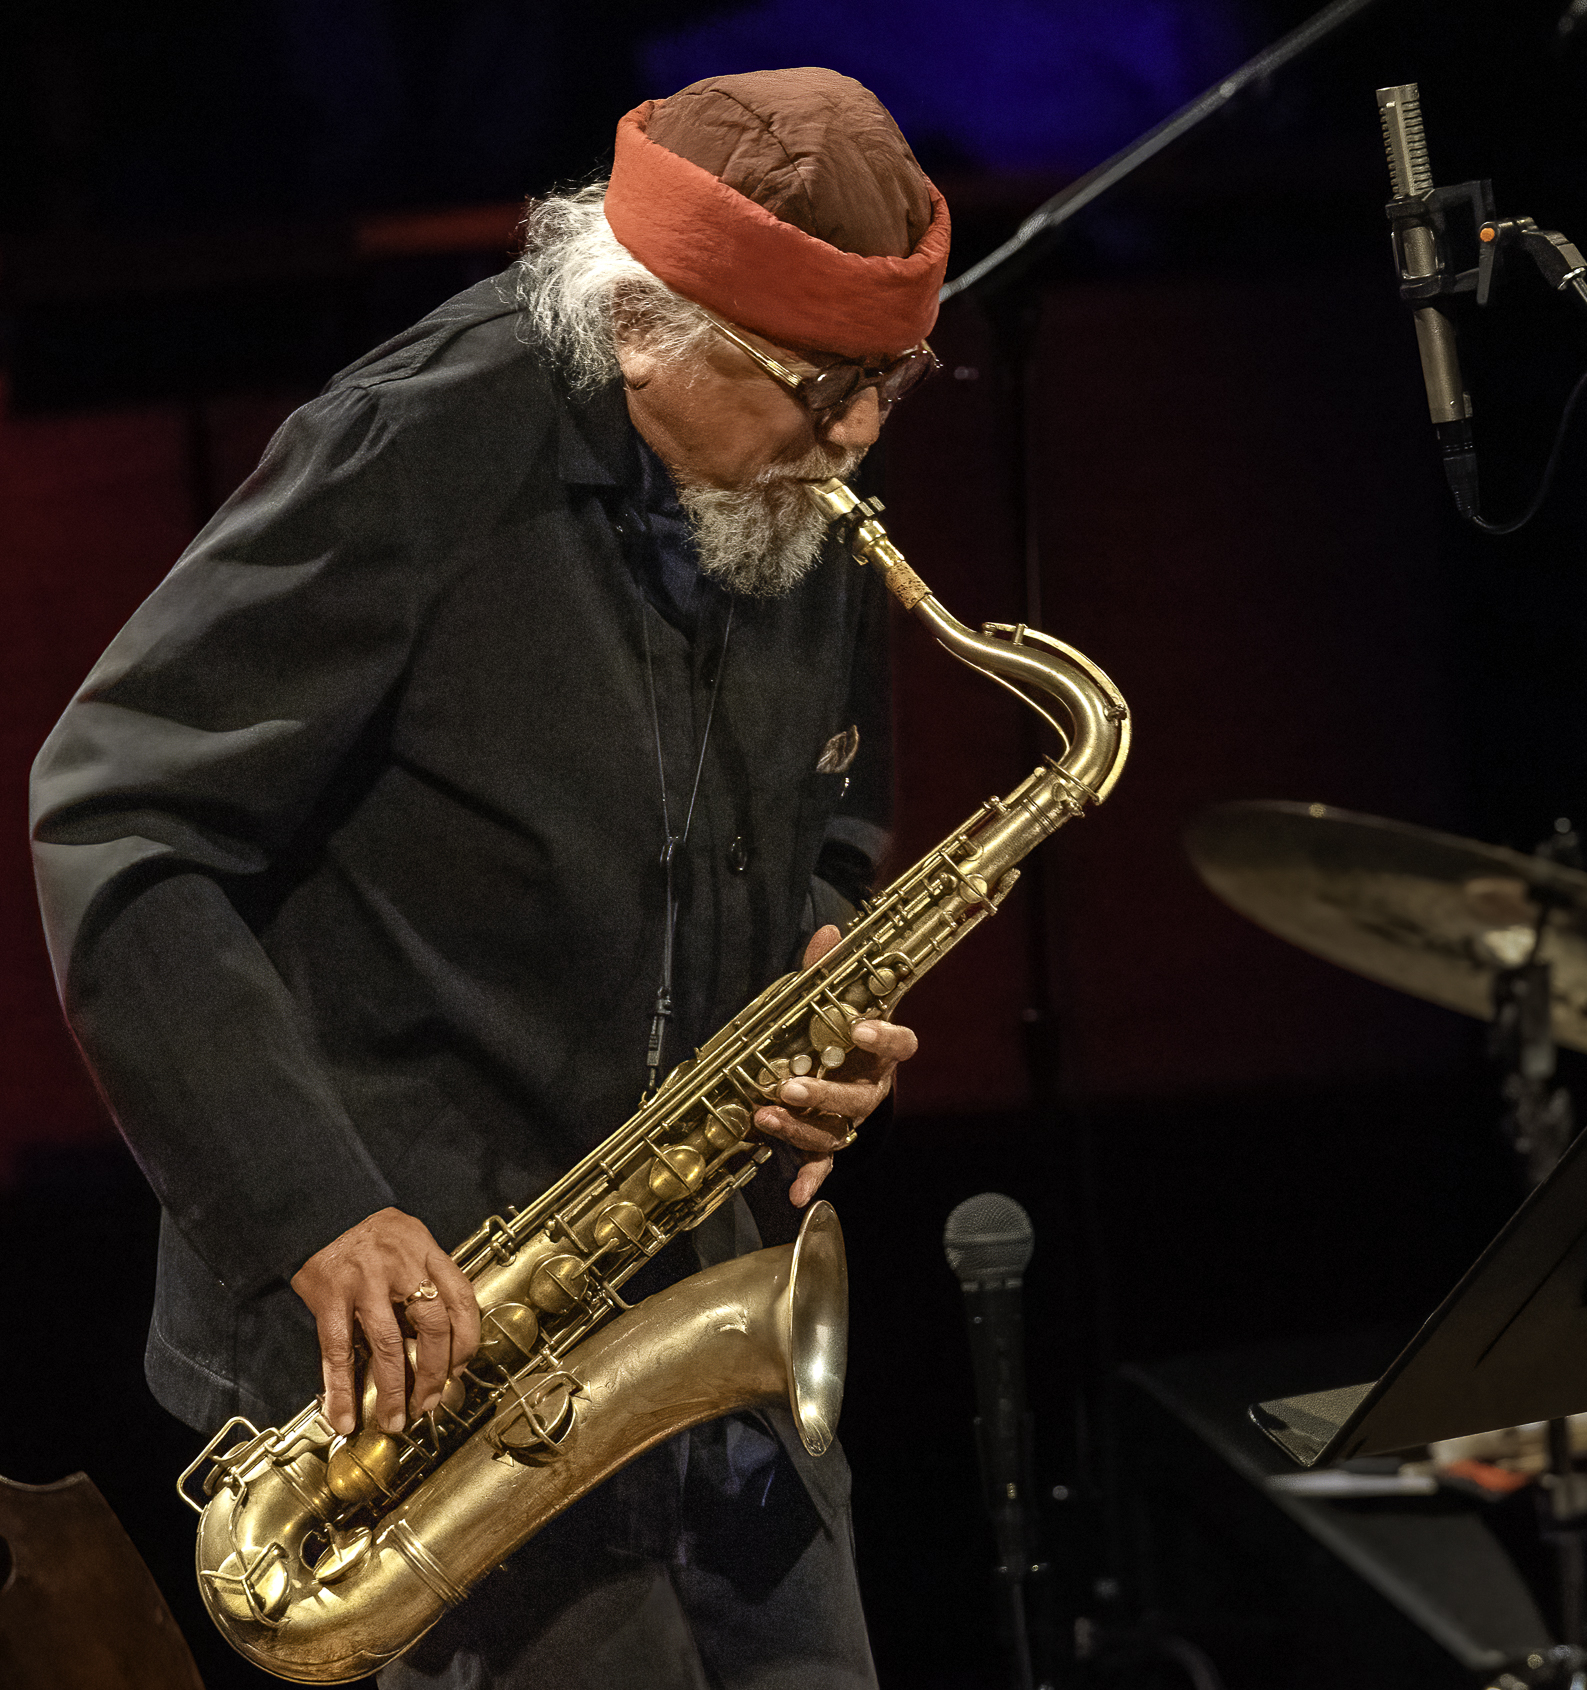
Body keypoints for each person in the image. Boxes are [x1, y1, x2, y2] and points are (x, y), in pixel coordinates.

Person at [30, 66, 950, 1689]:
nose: (861, 437)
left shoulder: (797, 491)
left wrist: (822, 966)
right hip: (426, 1366)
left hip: (694, 1311)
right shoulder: (415, 446)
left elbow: (837, 814)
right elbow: (118, 820)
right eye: (827, 387)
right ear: (656, 325)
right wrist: (317, 1210)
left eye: (894, 381)